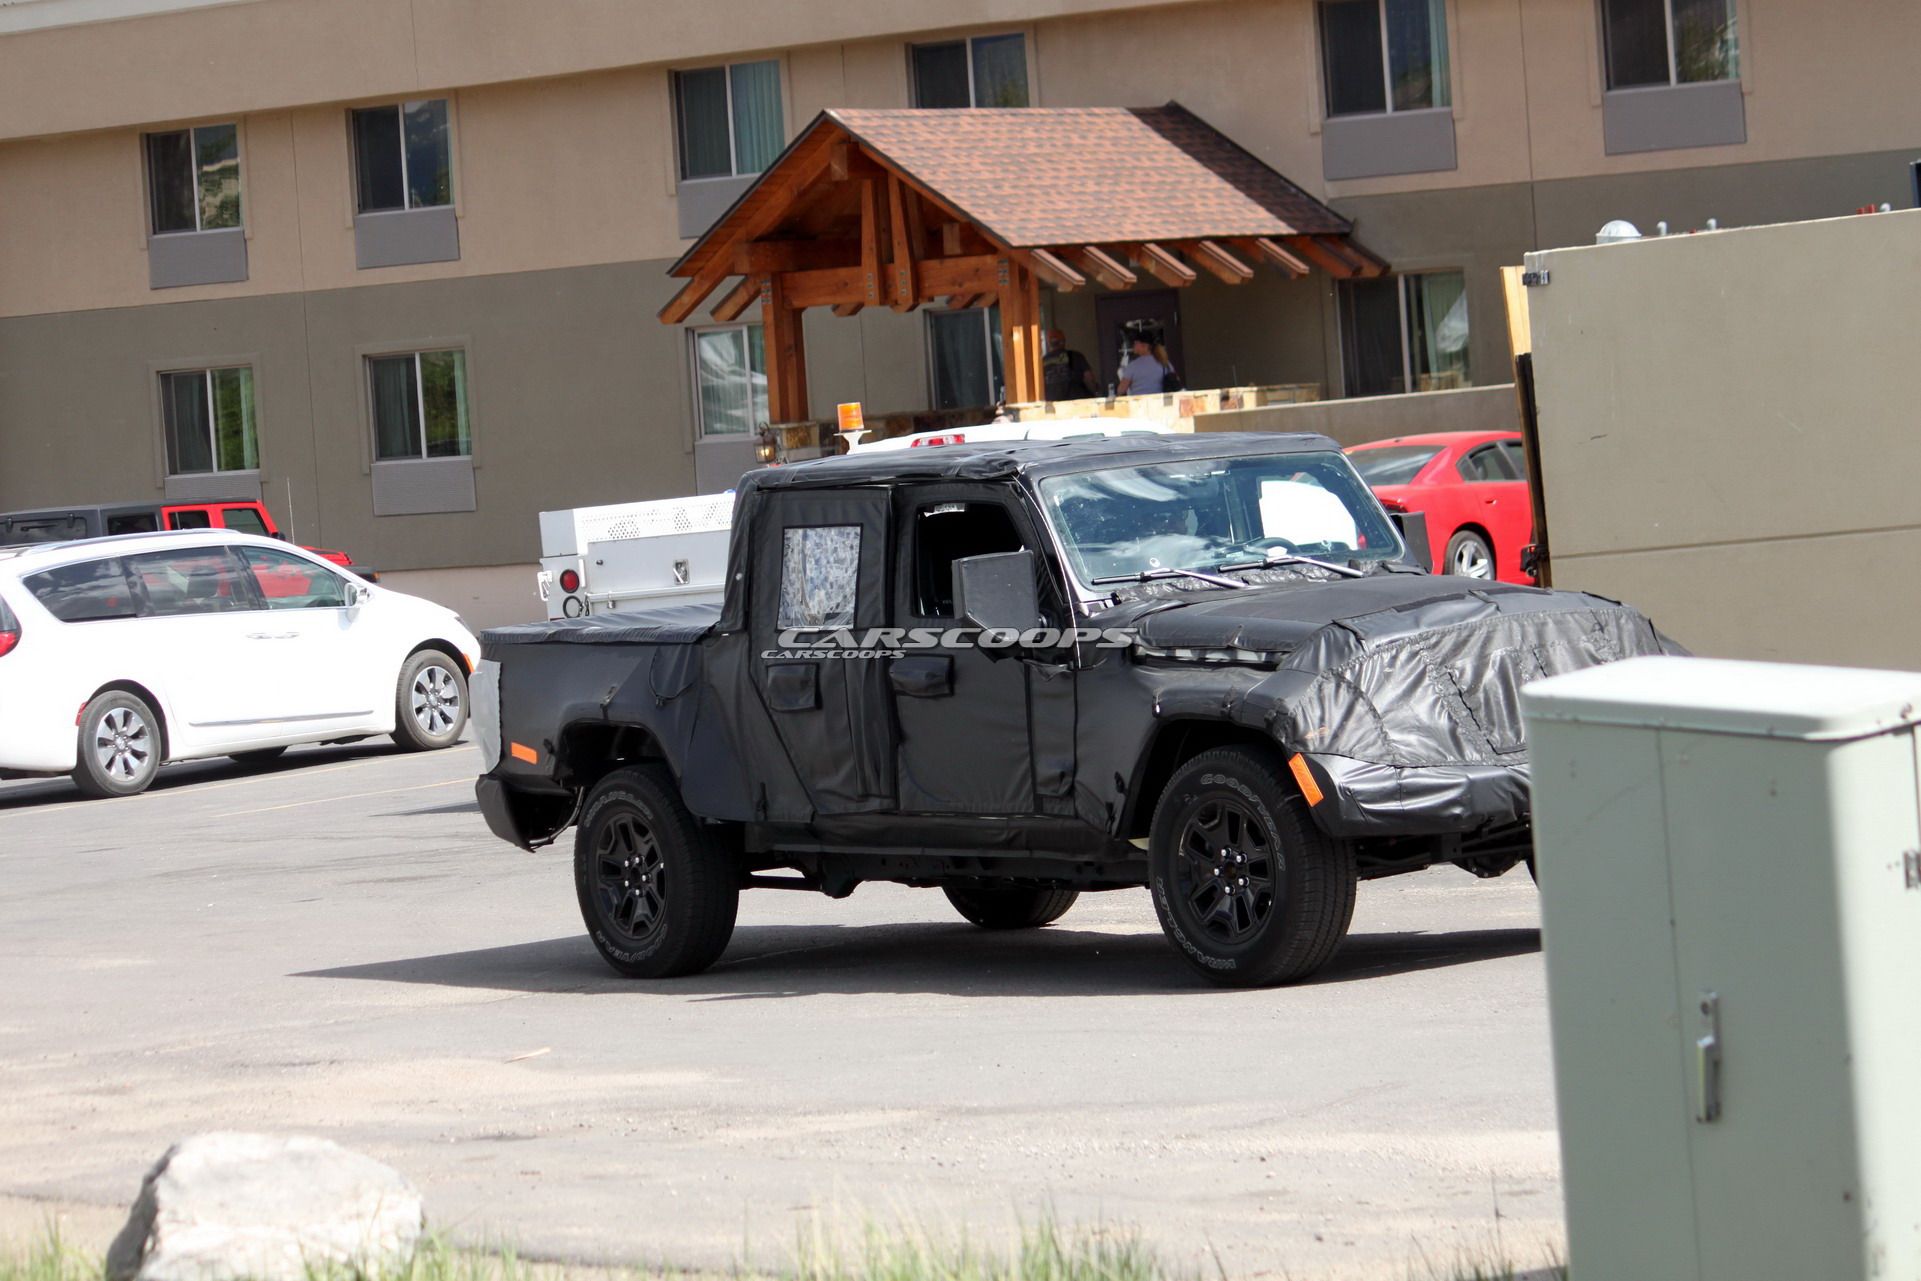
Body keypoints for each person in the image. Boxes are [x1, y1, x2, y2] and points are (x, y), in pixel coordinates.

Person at [1041, 329, 1099, 401]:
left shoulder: (1042, 362)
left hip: (1054, 406)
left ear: (1049, 343)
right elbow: (1089, 378)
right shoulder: (1076, 356)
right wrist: (1095, 393)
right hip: (1076, 404)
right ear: (1063, 342)